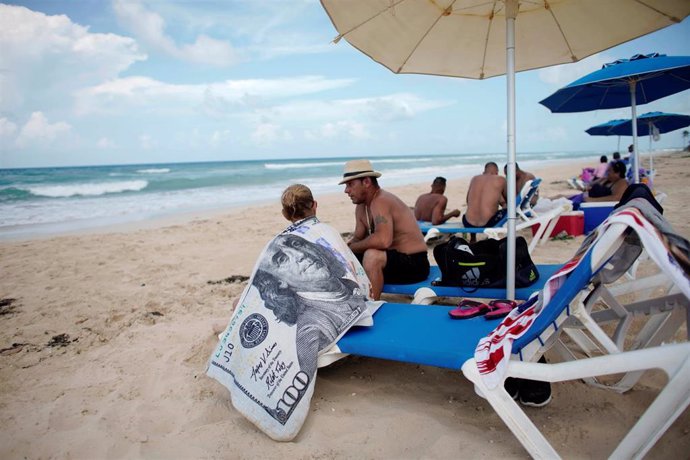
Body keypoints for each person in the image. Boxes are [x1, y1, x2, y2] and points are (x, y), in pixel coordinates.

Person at [252, 184, 370, 377]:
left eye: (297, 245)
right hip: (349, 312)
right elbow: (354, 269)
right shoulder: (326, 231)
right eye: (283, 259)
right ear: (315, 205)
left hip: (342, 321)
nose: (300, 255)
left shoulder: (276, 242)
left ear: (285, 214)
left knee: (242, 304)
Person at [340, 159, 430, 300]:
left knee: (372, 255)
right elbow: (357, 238)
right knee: (343, 259)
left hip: (415, 264)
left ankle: (371, 306)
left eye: (350, 184)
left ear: (367, 182)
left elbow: (383, 241)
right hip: (391, 261)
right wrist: (344, 250)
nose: (346, 190)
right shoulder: (361, 207)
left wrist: (353, 248)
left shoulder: (381, 200)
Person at [463, 162, 507, 241]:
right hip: (489, 223)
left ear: (483, 172)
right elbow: (510, 200)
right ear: (496, 172)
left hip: (468, 223)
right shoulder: (500, 179)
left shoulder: (475, 178)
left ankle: (473, 238)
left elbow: (467, 200)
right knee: (507, 208)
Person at [561, 161, 628, 210]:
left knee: (562, 204)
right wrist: (602, 180)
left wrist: (592, 200)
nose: (607, 173)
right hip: (583, 197)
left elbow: (616, 198)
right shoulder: (607, 179)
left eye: (609, 171)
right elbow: (590, 184)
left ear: (617, 173)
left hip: (587, 203)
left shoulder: (622, 183)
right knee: (561, 198)